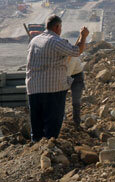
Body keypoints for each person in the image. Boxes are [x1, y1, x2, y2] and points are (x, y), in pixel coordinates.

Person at [25, 14, 89, 142]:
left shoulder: (34, 41)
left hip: (33, 88)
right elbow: (77, 51)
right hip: (53, 89)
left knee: (36, 122)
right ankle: (50, 148)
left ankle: (36, 147)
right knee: (52, 123)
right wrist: (83, 36)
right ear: (57, 27)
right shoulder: (56, 41)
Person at [66, 49, 85, 129]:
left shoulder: (72, 57)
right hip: (65, 75)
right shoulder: (60, 56)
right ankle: (62, 120)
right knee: (59, 99)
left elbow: (68, 75)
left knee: (76, 101)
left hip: (77, 76)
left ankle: (76, 122)